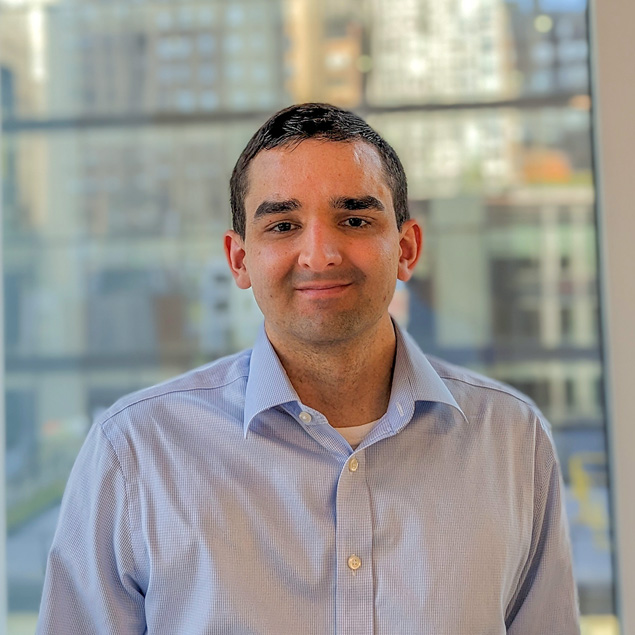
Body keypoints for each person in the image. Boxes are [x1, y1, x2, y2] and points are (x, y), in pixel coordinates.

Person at [37, 103, 580, 634]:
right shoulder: (133, 451)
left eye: (354, 219)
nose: (319, 255)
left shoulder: (512, 440)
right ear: (239, 259)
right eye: (282, 225)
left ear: (407, 248)